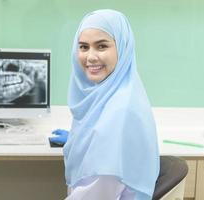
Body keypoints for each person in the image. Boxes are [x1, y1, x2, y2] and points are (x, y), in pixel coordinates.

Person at [51, 9, 160, 200]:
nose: (90, 57)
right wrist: (81, 138)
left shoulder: (120, 113)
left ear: (123, 48)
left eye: (101, 46)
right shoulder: (116, 94)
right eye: (84, 47)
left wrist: (101, 141)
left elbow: (95, 194)